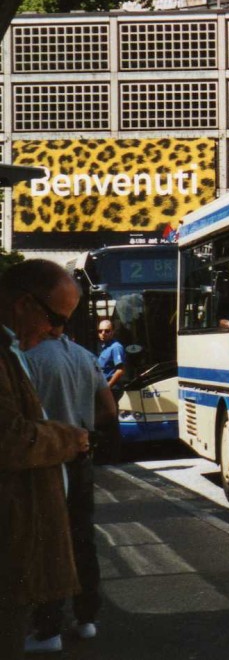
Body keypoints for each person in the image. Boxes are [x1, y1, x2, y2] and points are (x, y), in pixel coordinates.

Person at [0, 260, 90, 659]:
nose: (58, 331)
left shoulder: (12, 349)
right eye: (55, 318)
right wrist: (69, 438)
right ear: (23, 305)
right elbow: (9, 438)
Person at [24, 331, 117, 649]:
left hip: (46, 463)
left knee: (48, 540)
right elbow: (110, 410)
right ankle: (87, 617)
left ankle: (48, 627)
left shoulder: (31, 360)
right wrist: (84, 430)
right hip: (81, 460)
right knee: (83, 537)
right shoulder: (86, 357)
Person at [96, 318, 125, 399]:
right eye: (100, 331)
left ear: (113, 332)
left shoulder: (116, 347)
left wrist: (108, 386)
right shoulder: (104, 347)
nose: (103, 333)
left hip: (112, 389)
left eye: (107, 331)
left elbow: (120, 370)